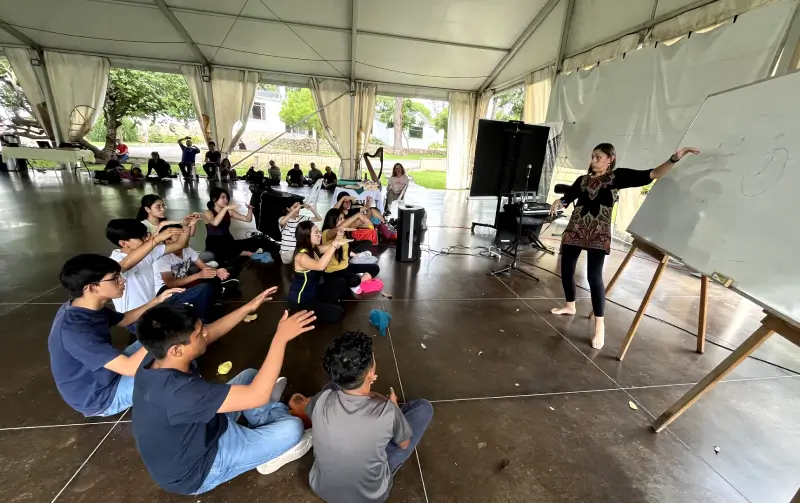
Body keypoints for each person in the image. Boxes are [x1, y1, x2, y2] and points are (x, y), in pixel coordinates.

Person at [132, 293, 317, 495]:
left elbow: (209, 334)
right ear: (176, 350)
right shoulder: (180, 392)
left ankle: (266, 418)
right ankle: (271, 451)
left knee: (250, 376)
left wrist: (247, 307)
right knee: (292, 428)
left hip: (203, 428)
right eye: (199, 334)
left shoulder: (156, 358)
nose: (206, 334)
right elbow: (256, 396)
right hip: (201, 467)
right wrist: (280, 338)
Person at [548, 144, 700, 350]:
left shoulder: (616, 177)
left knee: (594, 277)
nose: (593, 160)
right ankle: (570, 305)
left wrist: (674, 159)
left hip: (598, 234)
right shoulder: (582, 180)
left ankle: (600, 325)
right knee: (566, 270)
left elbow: (652, 174)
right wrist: (560, 201)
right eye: (592, 156)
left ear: (610, 158)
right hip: (575, 230)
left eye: (598, 157)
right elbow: (569, 198)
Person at [303, 331, 433, 503]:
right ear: (371, 374)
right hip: (369, 497)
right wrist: (392, 406)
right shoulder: (387, 411)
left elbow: (313, 411)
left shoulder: (321, 398)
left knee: (330, 388)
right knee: (424, 408)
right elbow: (404, 444)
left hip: (321, 487)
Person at [48, 254, 182, 418]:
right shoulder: (75, 331)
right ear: (92, 287)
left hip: (109, 372)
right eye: (115, 278)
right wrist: (162, 331)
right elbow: (129, 368)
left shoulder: (85, 306)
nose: (122, 281)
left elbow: (124, 319)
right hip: (101, 397)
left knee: (168, 344)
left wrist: (156, 301)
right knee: (173, 357)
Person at [106, 218, 216, 324]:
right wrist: (157, 239)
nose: (148, 239)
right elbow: (125, 265)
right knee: (182, 327)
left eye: (147, 235)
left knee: (203, 291)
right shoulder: (114, 262)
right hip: (134, 318)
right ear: (124, 243)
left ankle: (203, 321)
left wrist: (186, 226)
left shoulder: (148, 252)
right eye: (143, 237)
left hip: (155, 306)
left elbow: (179, 244)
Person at [288, 221, 350, 324]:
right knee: (337, 312)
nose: (320, 235)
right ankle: (301, 313)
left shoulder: (315, 250)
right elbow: (321, 266)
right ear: (306, 236)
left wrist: (338, 237)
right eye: (316, 233)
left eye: (319, 232)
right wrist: (334, 244)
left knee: (340, 282)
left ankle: (323, 305)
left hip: (313, 292)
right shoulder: (301, 257)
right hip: (301, 302)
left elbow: (333, 247)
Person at [154, 223, 236, 297]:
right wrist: (198, 275)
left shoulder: (187, 249)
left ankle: (219, 288)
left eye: (185, 235)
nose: (185, 238)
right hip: (167, 292)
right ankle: (218, 290)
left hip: (184, 283)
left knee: (225, 271)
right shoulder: (162, 257)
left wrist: (217, 271)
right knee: (204, 287)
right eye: (180, 237)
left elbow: (203, 266)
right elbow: (170, 284)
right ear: (168, 241)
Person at [321, 209, 380, 294]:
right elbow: (340, 228)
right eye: (340, 219)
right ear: (332, 220)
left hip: (346, 268)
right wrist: (357, 215)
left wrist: (370, 213)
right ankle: (354, 282)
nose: (344, 220)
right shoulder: (326, 233)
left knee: (375, 268)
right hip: (333, 273)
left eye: (343, 218)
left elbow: (361, 220)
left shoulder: (345, 231)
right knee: (352, 279)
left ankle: (356, 283)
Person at [203, 187, 264, 267]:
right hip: (214, 242)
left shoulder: (229, 211)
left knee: (249, 242)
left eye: (227, 198)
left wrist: (249, 209)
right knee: (227, 254)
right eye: (223, 197)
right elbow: (215, 223)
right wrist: (225, 208)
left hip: (227, 239)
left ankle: (250, 253)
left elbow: (247, 219)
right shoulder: (207, 212)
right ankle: (248, 254)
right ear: (214, 199)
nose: (226, 200)